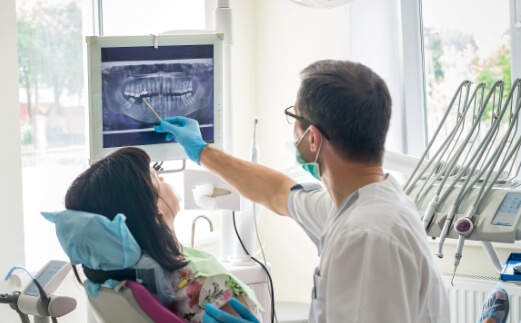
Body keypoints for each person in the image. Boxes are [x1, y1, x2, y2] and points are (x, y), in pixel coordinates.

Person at [155, 59, 451, 322]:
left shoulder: (364, 237)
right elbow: (275, 191)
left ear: (313, 139)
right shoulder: (364, 202)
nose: (292, 128)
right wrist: (202, 151)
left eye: (294, 118)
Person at [60, 147, 260, 323]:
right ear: (155, 212)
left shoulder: (109, 281)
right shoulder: (210, 286)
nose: (163, 178)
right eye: (156, 177)